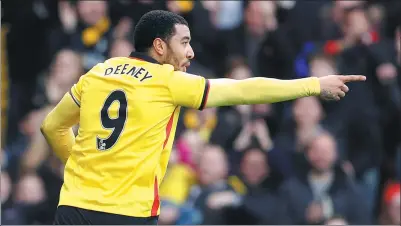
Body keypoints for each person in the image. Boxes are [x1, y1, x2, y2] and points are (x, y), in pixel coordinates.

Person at [40, 10, 366, 225]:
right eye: (184, 43)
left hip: (73, 207)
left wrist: (81, 167)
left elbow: (52, 126)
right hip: (127, 214)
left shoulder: (98, 73)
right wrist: (313, 85)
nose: (191, 53)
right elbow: (243, 90)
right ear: (159, 46)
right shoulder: (167, 82)